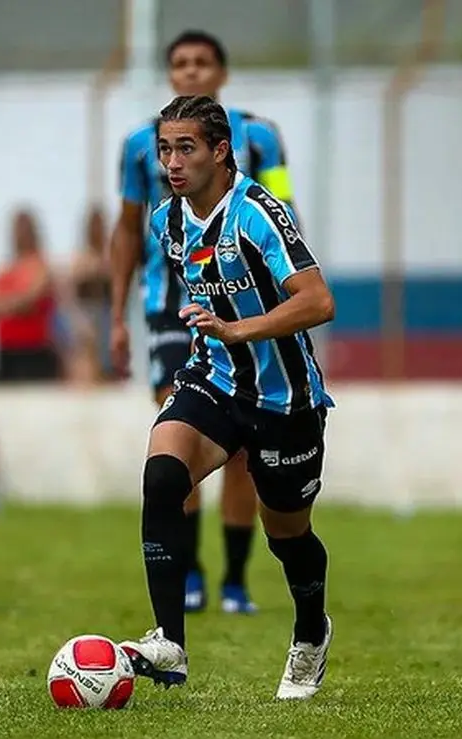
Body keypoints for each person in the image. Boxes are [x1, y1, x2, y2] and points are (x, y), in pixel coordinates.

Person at [116, 96, 336, 701]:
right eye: (164, 149)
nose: (172, 162)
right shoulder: (168, 219)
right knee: (163, 476)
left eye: (186, 148)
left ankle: (311, 632)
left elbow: (318, 301)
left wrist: (240, 328)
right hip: (211, 378)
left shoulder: (260, 213)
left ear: (220, 150)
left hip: (283, 399)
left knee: (287, 536)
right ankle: (169, 642)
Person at [108, 29, 297, 616]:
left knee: (243, 447)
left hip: (247, 305)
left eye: (202, 63)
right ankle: (188, 572)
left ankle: (236, 579)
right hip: (170, 307)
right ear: (170, 75)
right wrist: (116, 312)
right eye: (180, 64)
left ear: (220, 72)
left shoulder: (260, 137)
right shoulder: (143, 145)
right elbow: (126, 228)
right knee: (180, 435)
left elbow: (284, 210)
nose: (191, 72)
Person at [0, 208, 59, 383]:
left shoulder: (41, 266)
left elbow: (31, 299)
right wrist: (16, 304)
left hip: (34, 352)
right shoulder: (5, 268)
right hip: (7, 351)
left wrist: (6, 304)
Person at [62, 205, 112, 386]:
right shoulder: (80, 259)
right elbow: (70, 294)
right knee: (86, 356)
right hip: (86, 313)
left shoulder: (110, 256)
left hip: (107, 315)